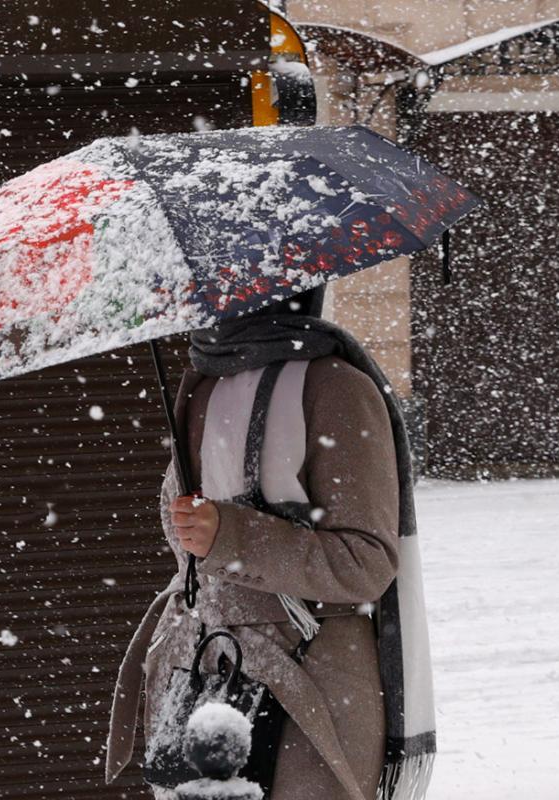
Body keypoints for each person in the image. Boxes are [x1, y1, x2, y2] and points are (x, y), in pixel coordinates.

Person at [105, 285, 435, 800]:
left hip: (311, 690)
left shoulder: (335, 389)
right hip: (205, 672)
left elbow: (365, 562)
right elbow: (189, 544)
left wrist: (232, 536)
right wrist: (200, 531)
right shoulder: (201, 386)